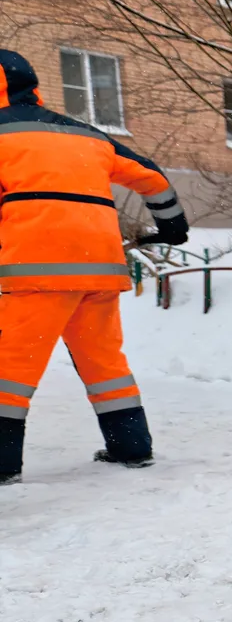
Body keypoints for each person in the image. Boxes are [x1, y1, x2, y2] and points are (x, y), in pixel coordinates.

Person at [0, 49, 188, 485]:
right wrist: (172, 225)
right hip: (99, 269)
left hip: (35, 272)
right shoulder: (85, 135)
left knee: (11, 368)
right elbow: (152, 177)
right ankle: (131, 447)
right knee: (104, 362)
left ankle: (3, 464)